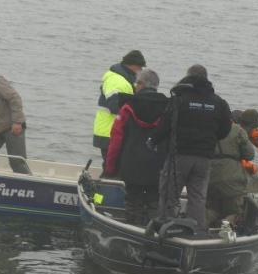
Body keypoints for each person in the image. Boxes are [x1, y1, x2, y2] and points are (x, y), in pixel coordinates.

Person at [151, 74, 232, 231]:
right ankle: (196, 231)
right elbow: (225, 129)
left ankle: (167, 226)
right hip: (205, 158)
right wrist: (211, 139)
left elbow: (165, 124)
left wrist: (153, 140)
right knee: (198, 197)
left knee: (170, 192)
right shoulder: (219, 103)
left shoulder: (181, 99)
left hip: (180, 155)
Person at [104, 69, 168, 225]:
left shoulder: (127, 107)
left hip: (131, 165)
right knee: (154, 201)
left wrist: (110, 167)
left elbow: (116, 140)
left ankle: (133, 231)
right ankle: (153, 232)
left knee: (133, 203)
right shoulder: (168, 108)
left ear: (140, 84)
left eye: (136, 83)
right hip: (158, 166)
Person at [93, 50, 146, 169]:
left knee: (113, 165)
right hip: (109, 132)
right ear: (132, 65)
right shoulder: (117, 80)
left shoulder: (124, 79)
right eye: (139, 67)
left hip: (113, 131)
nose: (140, 71)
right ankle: (107, 185)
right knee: (112, 166)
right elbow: (115, 105)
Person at [206, 119, 255, 227]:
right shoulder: (237, 130)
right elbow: (250, 154)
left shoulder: (206, 127)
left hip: (209, 176)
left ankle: (201, 230)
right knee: (233, 210)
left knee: (211, 208)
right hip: (232, 178)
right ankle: (227, 227)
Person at [232, 108, 258, 191]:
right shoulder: (230, 130)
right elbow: (234, 157)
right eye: (252, 128)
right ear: (245, 125)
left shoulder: (251, 130)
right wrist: (254, 170)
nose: (253, 131)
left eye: (255, 129)